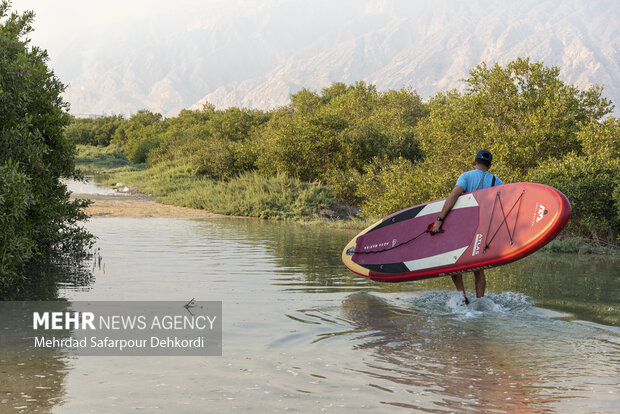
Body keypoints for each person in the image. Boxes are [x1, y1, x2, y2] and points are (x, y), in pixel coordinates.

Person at [431, 150, 503, 304]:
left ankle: (462, 297)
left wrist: (439, 219)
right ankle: (480, 301)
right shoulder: (497, 181)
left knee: (454, 263)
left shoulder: (466, 176)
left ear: (474, 162)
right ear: (489, 166)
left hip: (463, 228)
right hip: (483, 229)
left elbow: (454, 195)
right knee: (478, 267)